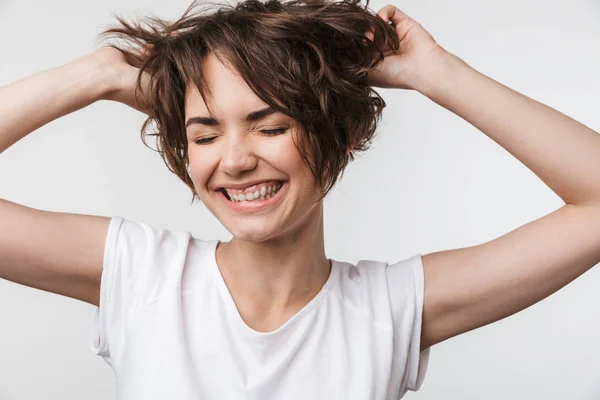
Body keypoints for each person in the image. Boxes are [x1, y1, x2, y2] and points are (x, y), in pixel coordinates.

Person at [1, 0, 599, 398]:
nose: (233, 160)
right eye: (204, 134)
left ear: (335, 137)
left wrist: (437, 73)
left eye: (269, 126)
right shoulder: (137, 274)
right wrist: (97, 74)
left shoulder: (390, 309)